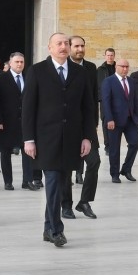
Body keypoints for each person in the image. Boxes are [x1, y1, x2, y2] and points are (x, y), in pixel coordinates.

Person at [22, 32, 96, 248]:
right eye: (59, 43)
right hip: (46, 139)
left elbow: (88, 107)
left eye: (66, 43)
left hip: (72, 139)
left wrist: (87, 137)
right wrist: (28, 139)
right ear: (49, 48)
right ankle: (56, 230)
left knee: (62, 183)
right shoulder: (37, 71)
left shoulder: (80, 73)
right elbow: (28, 108)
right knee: (53, 182)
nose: (63, 47)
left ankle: (47, 227)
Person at [0, 52, 35, 190]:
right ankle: (8, 181)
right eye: (16, 62)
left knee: (27, 152)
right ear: (10, 63)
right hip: (6, 122)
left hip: (25, 123)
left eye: (22, 62)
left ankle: (27, 181)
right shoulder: (1, 79)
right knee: (5, 152)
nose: (19, 64)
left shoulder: (29, 78)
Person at [68, 35, 100, 218]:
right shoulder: (64, 68)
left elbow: (93, 100)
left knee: (94, 162)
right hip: (67, 126)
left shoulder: (90, 68)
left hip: (86, 127)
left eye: (82, 46)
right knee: (66, 168)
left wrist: (93, 126)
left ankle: (84, 201)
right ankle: (66, 204)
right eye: (76, 46)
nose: (80, 49)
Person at [102, 58, 138, 184]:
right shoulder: (108, 81)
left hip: (130, 120)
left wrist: (137, 117)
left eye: (127, 66)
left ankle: (126, 169)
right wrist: (109, 119)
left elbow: (135, 100)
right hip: (114, 121)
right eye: (122, 66)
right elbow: (106, 102)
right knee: (114, 149)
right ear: (116, 67)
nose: (125, 69)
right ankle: (114, 174)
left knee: (135, 143)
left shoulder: (131, 81)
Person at [96, 47, 116, 151]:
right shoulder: (100, 70)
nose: (110, 57)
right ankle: (107, 146)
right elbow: (97, 85)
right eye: (108, 55)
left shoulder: (118, 68)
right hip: (104, 100)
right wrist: (100, 98)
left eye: (111, 55)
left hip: (117, 100)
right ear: (105, 56)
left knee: (116, 121)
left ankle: (114, 144)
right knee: (105, 122)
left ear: (114, 56)